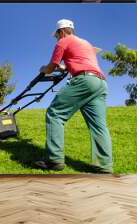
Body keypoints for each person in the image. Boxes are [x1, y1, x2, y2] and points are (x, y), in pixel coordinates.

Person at [35, 19, 113, 173]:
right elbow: (79, 61)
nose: (57, 38)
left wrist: (43, 69)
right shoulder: (86, 43)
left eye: (57, 35)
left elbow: (50, 67)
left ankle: (54, 159)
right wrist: (65, 67)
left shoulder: (63, 41)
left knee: (55, 114)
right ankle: (104, 166)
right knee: (99, 126)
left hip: (84, 81)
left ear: (61, 31)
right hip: (100, 83)